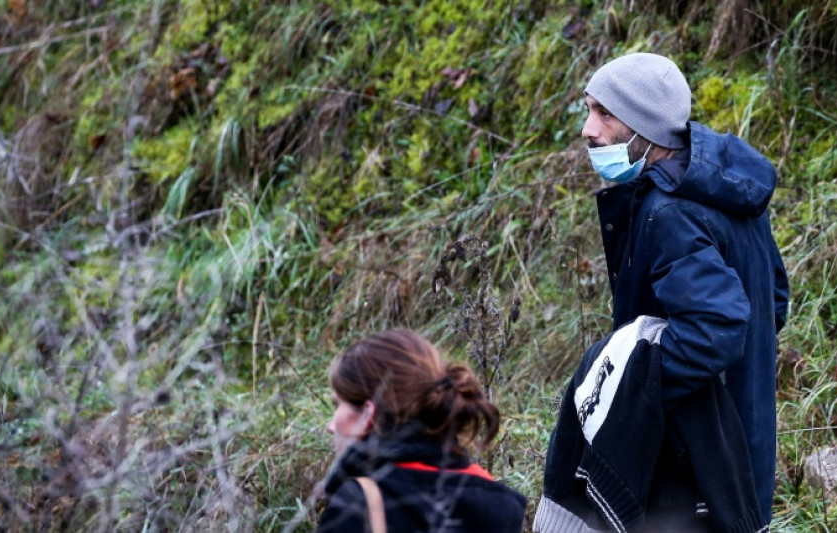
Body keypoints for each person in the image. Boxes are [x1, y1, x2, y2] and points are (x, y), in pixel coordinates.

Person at [535, 53, 789, 532]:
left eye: (604, 113)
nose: (588, 129)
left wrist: (633, 383)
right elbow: (772, 301)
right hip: (741, 442)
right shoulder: (726, 189)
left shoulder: (668, 213)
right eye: (588, 110)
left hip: (693, 467)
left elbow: (716, 327)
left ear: (645, 126)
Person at [315, 329, 527, 532]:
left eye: (337, 405)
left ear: (367, 415)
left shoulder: (359, 504)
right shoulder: (499, 501)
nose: (331, 426)